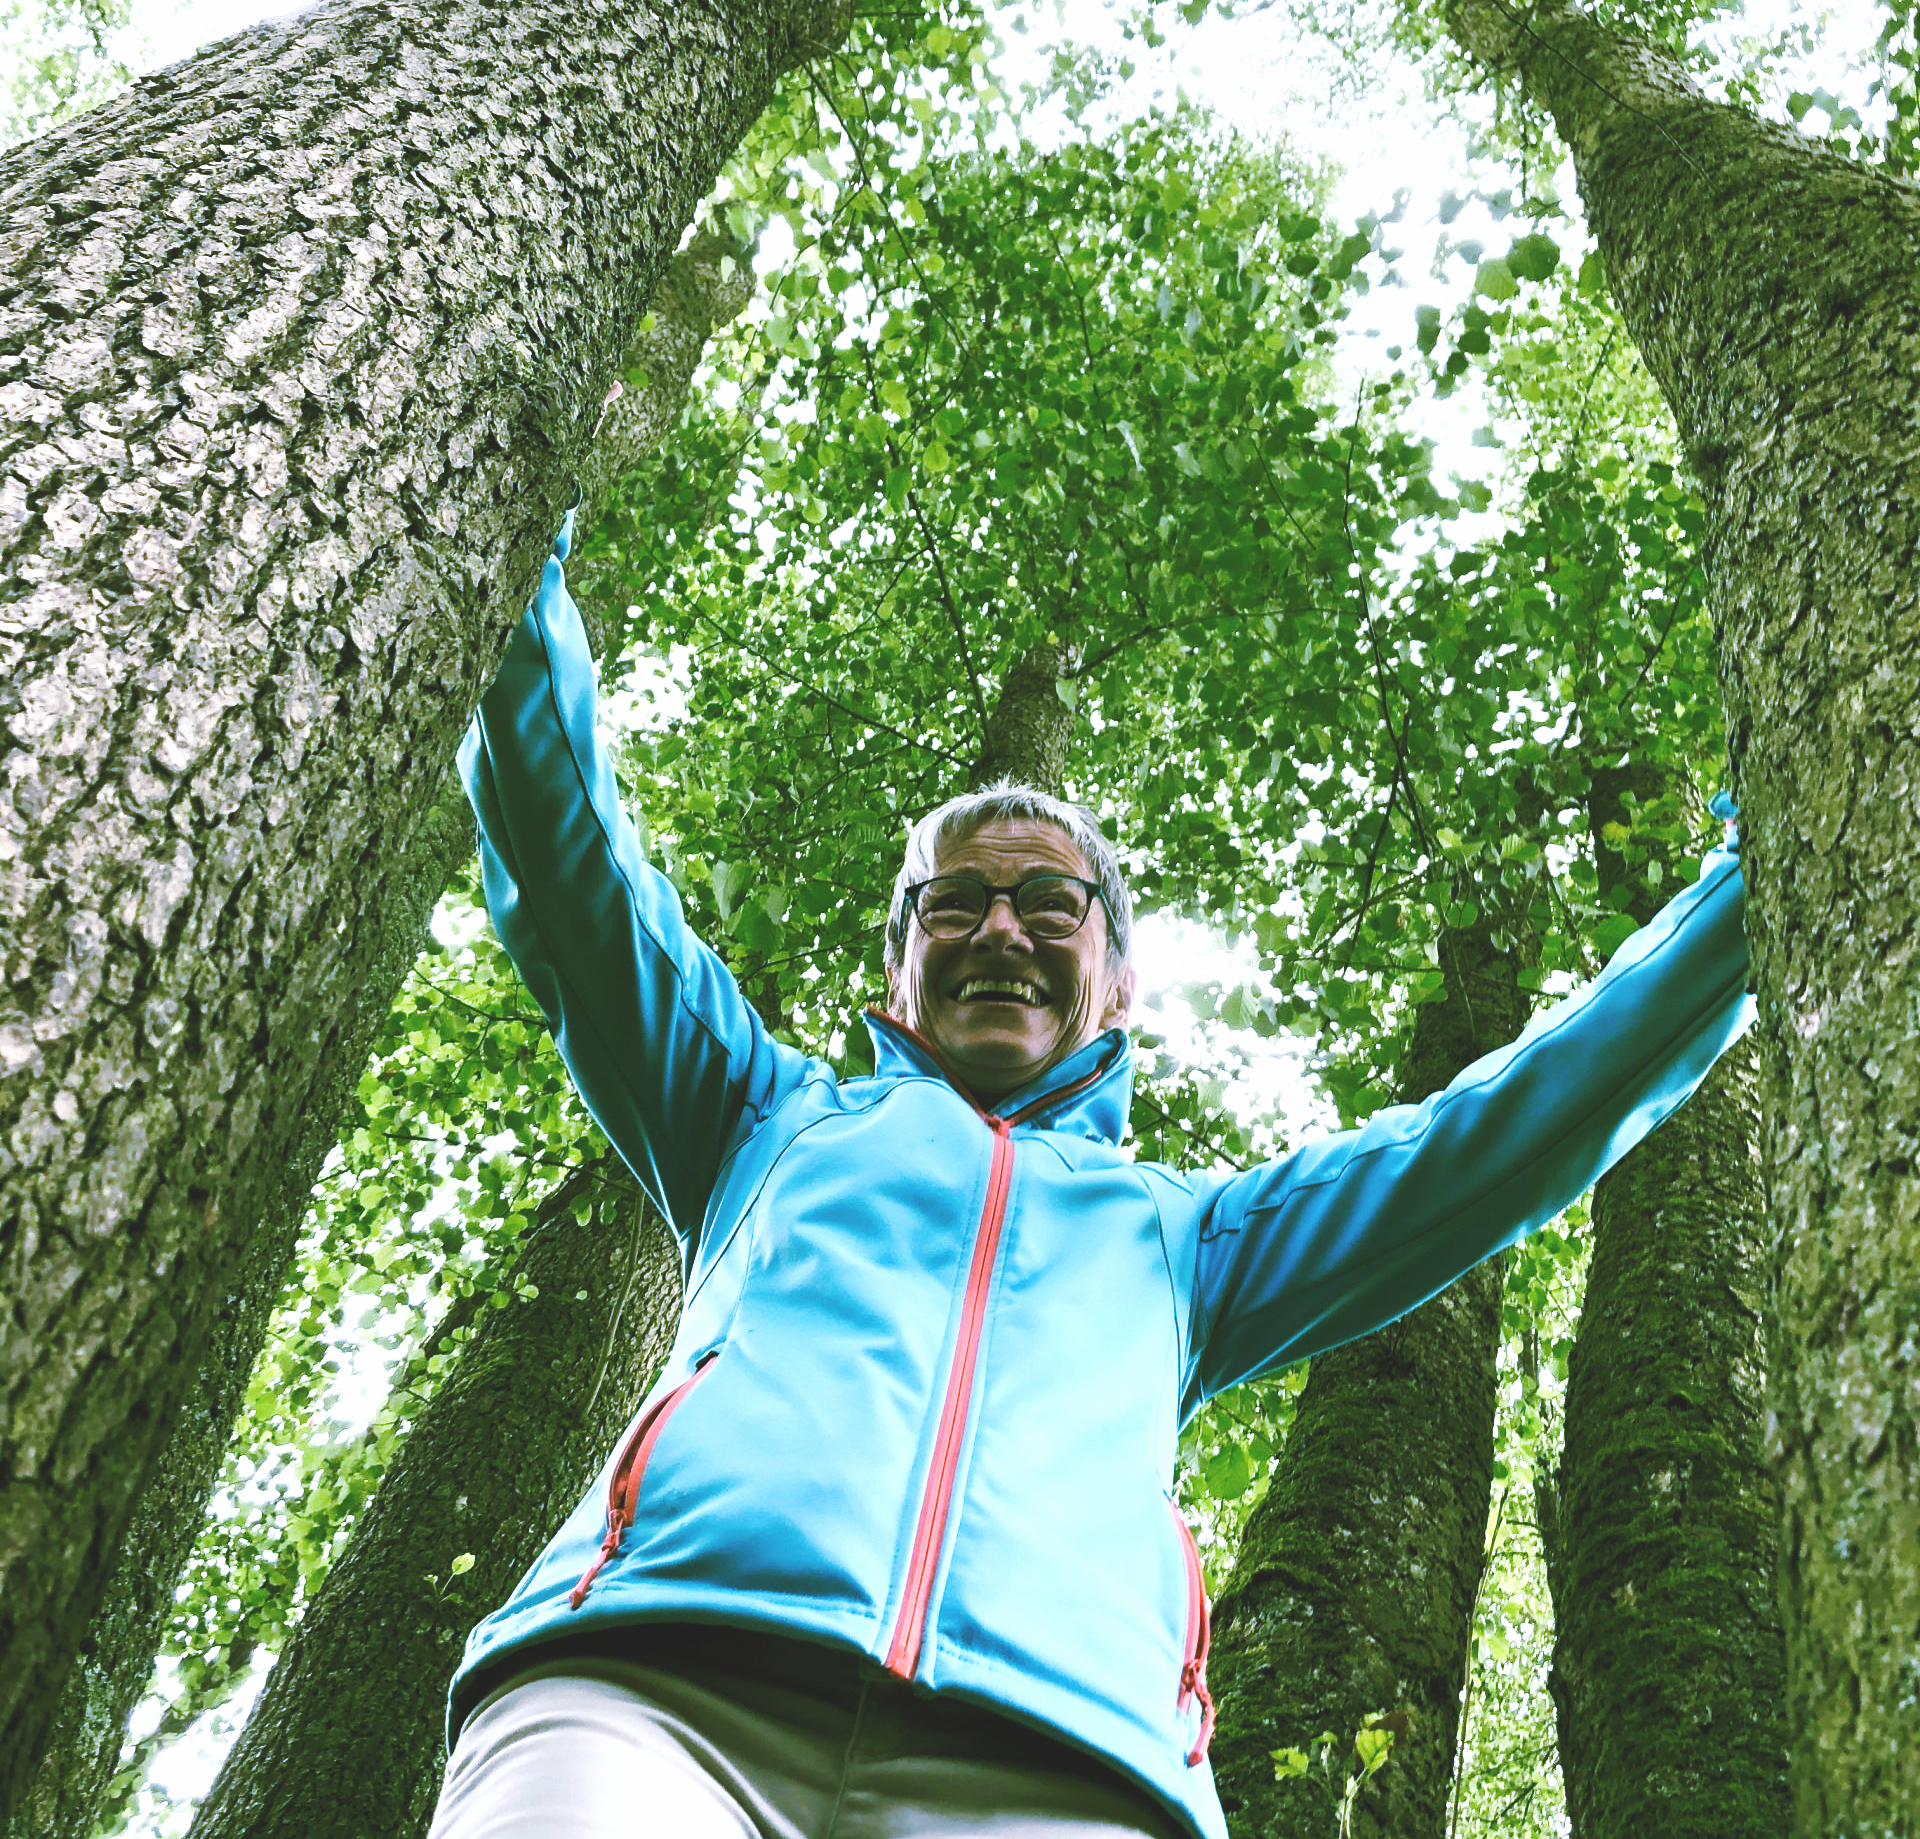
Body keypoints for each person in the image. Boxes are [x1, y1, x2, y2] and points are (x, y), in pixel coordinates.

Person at [431, 519, 1752, 1839]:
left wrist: (1744, 907)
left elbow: (1497, 1137)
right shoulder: (761, 1115)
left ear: (1116, 983)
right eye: (955, 903)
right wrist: (525, 542)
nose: (999, 927)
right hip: (654, 1687)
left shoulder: (1189, 1239)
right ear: (900, 968)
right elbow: (574, 863)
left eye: (1050, 905)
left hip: (1065, 1768)